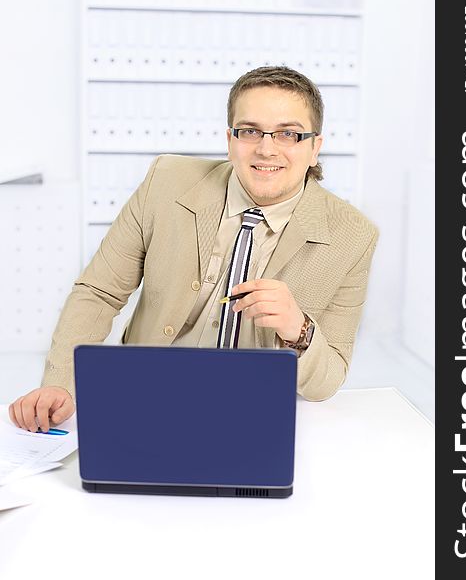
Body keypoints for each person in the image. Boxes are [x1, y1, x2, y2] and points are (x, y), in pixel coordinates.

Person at [9, 66, 378, 433]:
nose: (267, 149)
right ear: (230, 140)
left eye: (288, 134)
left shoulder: (353, 236)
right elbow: (100, 291)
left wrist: (299, 330)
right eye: (250, 131)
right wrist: (61, 383)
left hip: (254, 413)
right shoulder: (165, 181)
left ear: (315, 147)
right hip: (143, 395)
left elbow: (328, 380)